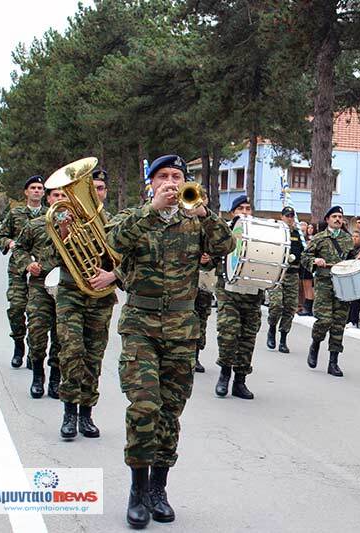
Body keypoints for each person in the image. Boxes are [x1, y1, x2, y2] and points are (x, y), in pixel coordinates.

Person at [107, 154, 234, 528]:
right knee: (144, 405)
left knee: (169, 413)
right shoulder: (133, 218)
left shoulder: (194, 221)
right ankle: (137, 490)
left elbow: (226, 246)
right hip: (140, 327)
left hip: (181, 327)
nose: (171, 182)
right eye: (163, 176)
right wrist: (150, 210)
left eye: (177, 176)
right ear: (150, 182)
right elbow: (112, 245)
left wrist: (205, 214)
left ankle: (158, 489)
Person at [51, 169, 119, 440]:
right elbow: (50, 255)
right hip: (71, 292)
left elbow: (126, 258)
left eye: (101, 188)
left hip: (101, 296)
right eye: (94, 187)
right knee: (71, 351)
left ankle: (86, 414)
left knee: (93, 355)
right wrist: (64, 231)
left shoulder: (114, 222)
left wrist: (112, 275)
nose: (97, 192)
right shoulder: (63, 218)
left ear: (104, 192)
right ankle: (68, 412)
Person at [12, 187, 65, 399]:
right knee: (37, 331)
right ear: (48, 198)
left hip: (67, 287)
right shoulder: (34, 225)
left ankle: (55, 379)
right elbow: (19, 248)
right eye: (56, 195)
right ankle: (37, 375)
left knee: (61, 335)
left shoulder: (79, 226)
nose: (60, 199)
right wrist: (27, 265)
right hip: (40, 286)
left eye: (63, 195)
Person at [302, 205, 360, 377]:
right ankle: (315, 344)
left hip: (343, 285)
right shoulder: (319, 238)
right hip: (324, 283)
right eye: (334, 216)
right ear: (327, 219)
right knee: (324, 320)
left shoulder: (347, 239)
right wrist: (315, 260)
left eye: (340, 217)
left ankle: (333, 361)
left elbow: (351, 259)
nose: (337, 219)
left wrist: (358, 259)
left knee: (338, 323)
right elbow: (305, 257)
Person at [214, 195, 263, 400]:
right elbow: (210, 260)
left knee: (247, 338)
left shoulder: (260, 234)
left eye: (248, 208)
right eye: (240, 208)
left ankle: (240, 381)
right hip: (229, 292)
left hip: (252, 293)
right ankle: (224, 374)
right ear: (233, 212)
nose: (244, 212)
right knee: (228, 333)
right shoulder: (223, 232)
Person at [0, 175, 48, 368]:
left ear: (44, 193)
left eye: (40, 188)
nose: (36, 191)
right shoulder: (15, 213)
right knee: (16, 308)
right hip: (18, 269)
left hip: (41, 272)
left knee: (37, 316)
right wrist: (8, 242)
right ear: (26, 192)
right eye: (33, 187)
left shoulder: (50, 214)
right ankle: (19, 343)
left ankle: (33, 351)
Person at [267, 206, 305, 353]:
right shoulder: (276, 232)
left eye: (292, 216)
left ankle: (283, 338)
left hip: (292, 274)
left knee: (289, 307)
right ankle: (271, 329)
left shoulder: (298, 234)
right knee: (276, 305)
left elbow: (303, 253)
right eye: (287, 216)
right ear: (282, 217)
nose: (290, 218)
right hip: (278, 273)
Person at [346, 230, 360, 327]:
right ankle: (348, 319)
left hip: (358, 277)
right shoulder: (350, 248)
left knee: (355, 300)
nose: (354, 238)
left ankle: (354, 321)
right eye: (353, 236)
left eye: (356, 236)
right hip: (348, 276)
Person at [297, 223, 316, 316]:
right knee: (304, 285)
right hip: (303, 264)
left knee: (309, 286)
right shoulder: (304, 238)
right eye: (309, 228)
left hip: (310, 264)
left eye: (312, 228)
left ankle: (309, 307)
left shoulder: (315, 239)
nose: (309, 229)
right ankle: (305, 305)